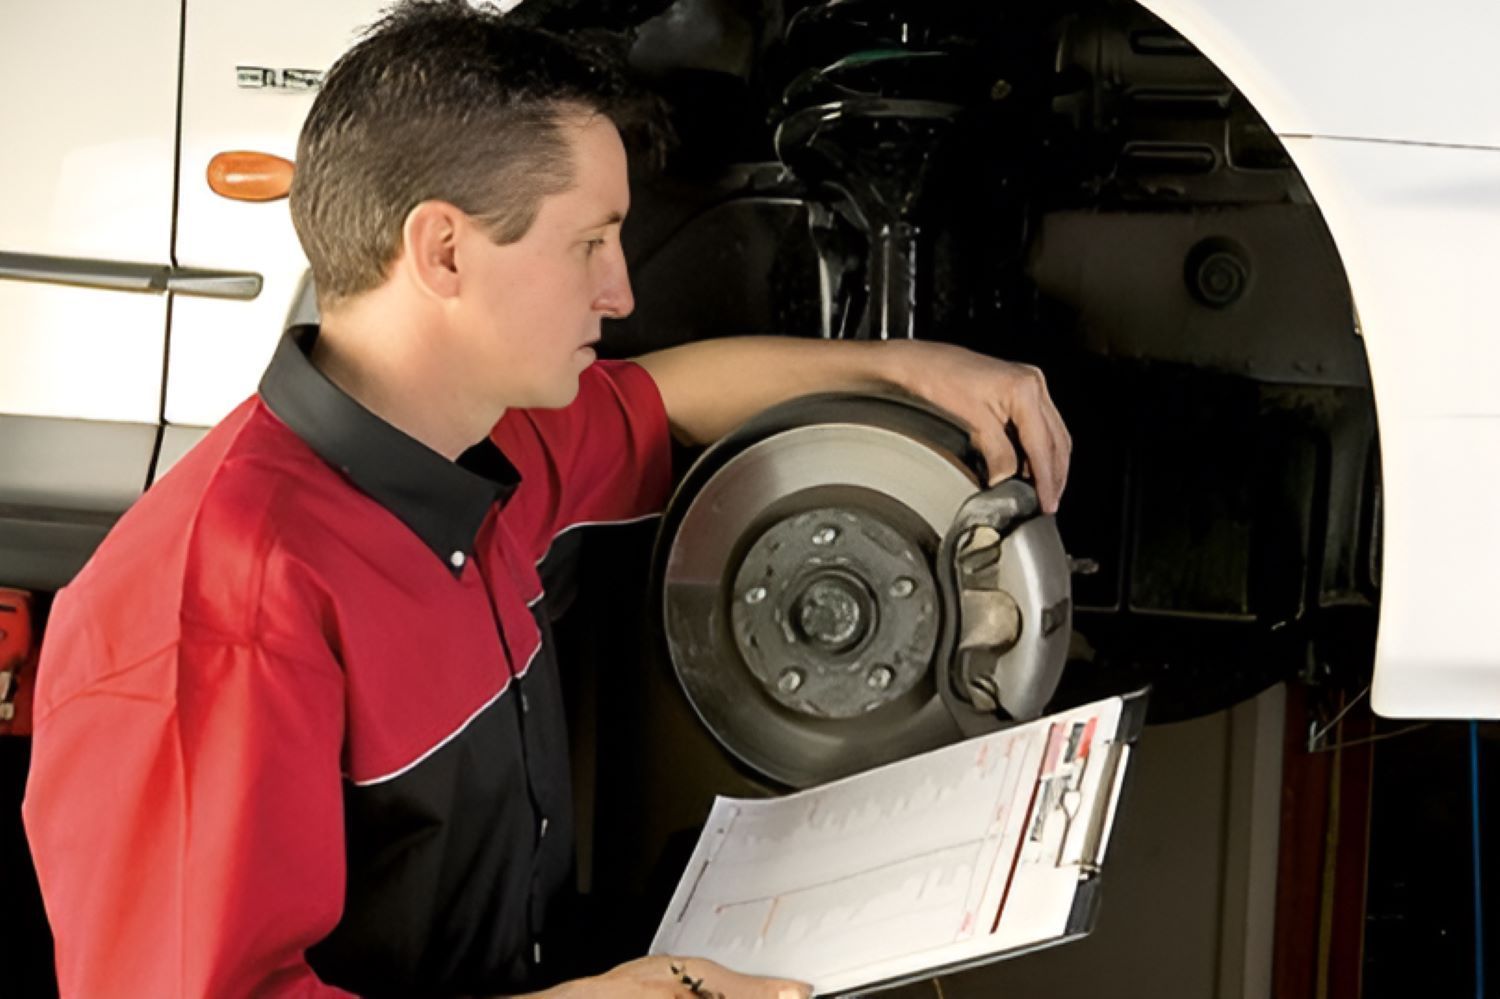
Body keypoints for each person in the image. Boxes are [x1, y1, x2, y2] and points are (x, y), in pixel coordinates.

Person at [21, 2, 1072, 997]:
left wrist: (904, 371)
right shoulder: (216, 612)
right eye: (588, 242)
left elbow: (664, 401)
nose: (620, 291)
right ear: (442, 250)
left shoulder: (475, 449)